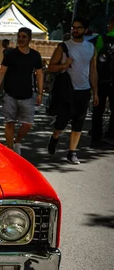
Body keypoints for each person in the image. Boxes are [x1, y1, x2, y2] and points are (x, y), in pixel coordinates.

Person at [46, 17, 99, 164]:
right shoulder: (63, 47)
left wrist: (95, 92)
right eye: (73, 28)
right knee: (61, 122)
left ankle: (72, 152)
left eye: (79, 28)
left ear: (86, 30)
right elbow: (50, 67)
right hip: (66, 91)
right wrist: (64, 65)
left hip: (84, 90)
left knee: (78, 123)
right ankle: (55, 137)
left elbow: (93, 71)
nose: (75, 30)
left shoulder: (91, 48)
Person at [0, 27, 44, 155]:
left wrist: (40, 93)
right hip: (10, 94)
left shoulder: (35, 55)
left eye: (24, 37)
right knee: (10, 123)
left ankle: (17, 141)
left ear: (29, 39)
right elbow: (2, 72)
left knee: (28, 124)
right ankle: (10, 150)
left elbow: (40, 74)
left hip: (27, 95)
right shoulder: (10, 54)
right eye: (19, 36)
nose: (21, 39)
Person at [89, 15, 114, 148]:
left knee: (98, 108)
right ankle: (110, 137)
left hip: (102, 80)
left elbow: (94, 60)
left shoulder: (101, 38)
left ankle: (96, 137)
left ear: (111, 24)